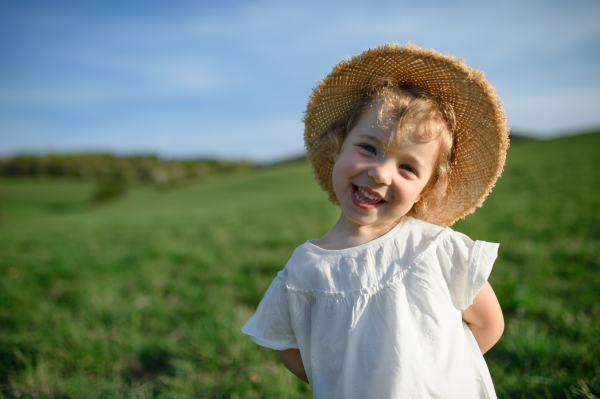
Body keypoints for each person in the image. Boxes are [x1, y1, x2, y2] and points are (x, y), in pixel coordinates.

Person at [242, 42, 509, 398]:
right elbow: (287, 345)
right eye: (368, 148)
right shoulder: (305, 269)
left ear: (425, 190)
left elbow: (488, 323)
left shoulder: (434, 248)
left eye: (407, 167)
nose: (381, 173)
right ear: (339, 146)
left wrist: (440, 374)